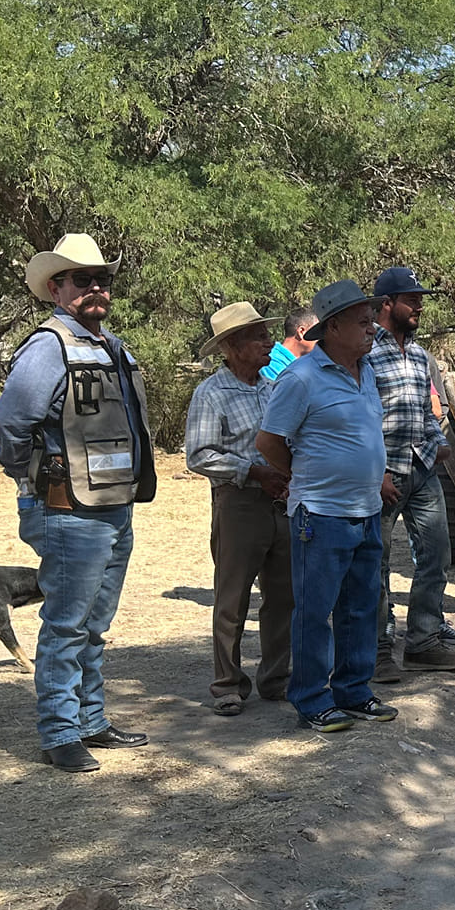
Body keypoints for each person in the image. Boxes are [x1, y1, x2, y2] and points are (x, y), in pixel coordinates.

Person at [0, 234, 157, 774]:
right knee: (67, 623)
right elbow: (13, 424)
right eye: (81, 280)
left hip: (113, 503)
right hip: (67, 508)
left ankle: (90, 720)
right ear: (55, 287)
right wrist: (34, 479)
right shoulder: (48, 346)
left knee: (93, 623)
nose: (94, 288)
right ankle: (60, 732)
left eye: (101, 279)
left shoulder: (110, 344)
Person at [255, 281, 399, 731]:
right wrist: (303, 477)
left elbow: (364, 436)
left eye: (372, 319)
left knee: (360, 606)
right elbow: (268, 441)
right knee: (316, 610)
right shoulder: (301, 378)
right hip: (319, 514)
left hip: (365, 511)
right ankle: (311, 698)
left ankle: (353, 690)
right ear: (331, 327)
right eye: (362, 321)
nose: (372, 328)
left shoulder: (367, 371)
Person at [185, 302, 293, 716]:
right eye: (259, 337)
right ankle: (228, 684)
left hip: (281, 499)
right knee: (232, 599)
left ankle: (275, 677)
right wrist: (250, 471)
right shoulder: (211, 393)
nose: (269, 343)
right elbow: (198, 455)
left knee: (283, 594)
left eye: (267, 335)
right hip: (239, 502)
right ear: (232, 346)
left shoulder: (273, 386)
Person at [368, 267, 455, 678]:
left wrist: (436, 442)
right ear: (387, 305)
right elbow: (362, 417)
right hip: (384, 473)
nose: (420, 305)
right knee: (376, 562)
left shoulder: (421, 355)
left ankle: (423, 640)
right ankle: (377, 650)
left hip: (422, 468)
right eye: (412, 299)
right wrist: (377, 474)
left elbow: (423, 409)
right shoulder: (366, 353)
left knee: (437, 554)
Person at [261, 307, 315, 382]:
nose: (322, 337)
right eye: (316, 332)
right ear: (301, 332)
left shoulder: (309, 363)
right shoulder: (270, 362)